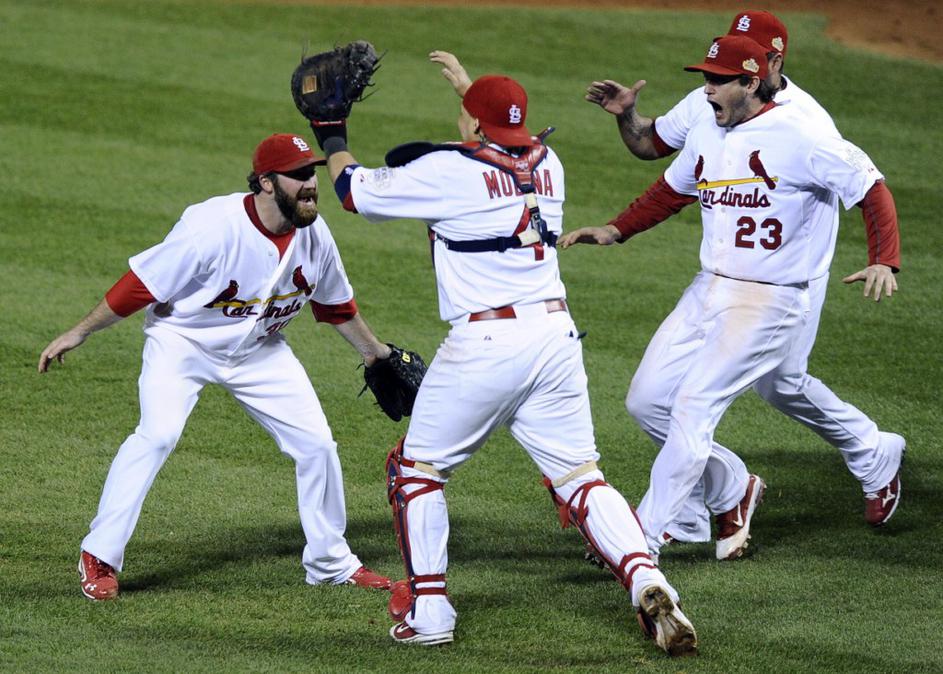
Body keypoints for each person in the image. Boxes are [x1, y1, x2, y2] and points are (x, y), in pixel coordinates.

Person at [301, 57, 698, 656]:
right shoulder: (549, 162)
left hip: (486, 345)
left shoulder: (449, 170)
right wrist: (474, 98)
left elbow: (353, 192)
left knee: (415, 472)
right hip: (555, 340)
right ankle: (647, 578)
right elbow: (495, 145)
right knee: (580, 477)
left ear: (474, 123)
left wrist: (331, 131)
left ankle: (430, 612)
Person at [561, 35, 904, 564]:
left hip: (772, 299)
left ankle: (642, 538)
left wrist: (885, 259)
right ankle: (730, 487)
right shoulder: (708, 125)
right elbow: (672, 188)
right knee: (647, 402)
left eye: (719, 81)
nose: (707, 90)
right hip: (710, 287)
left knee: (694, 405)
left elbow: (871, 187)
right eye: (706, 78)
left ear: (751, 81)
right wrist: (616, 229)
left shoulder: (803, 133)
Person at [39, 133, 395, 600]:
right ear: (266, 182)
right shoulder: (211, 226)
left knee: (317, 446)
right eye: (297, 175)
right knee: (158, 434)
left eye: (311, 172)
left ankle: (330, 563)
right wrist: (81, 331)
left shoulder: (316, 235)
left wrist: (374, 353)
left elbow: (335, 306)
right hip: (183, 343)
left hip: (258, 351)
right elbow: (142, 285)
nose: (310, 183)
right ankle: (99, 553)